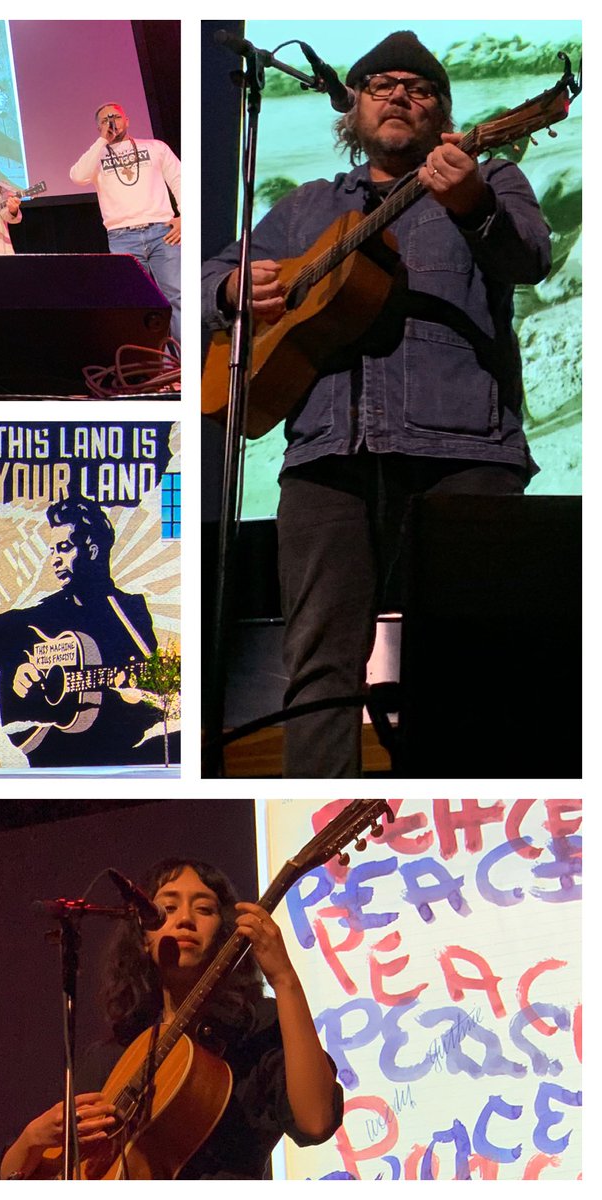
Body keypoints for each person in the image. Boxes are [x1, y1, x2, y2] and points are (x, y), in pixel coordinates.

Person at [199, 30, 552, 777]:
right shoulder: (306, 208)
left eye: (420, 88)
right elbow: (212, 279)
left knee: (473, 660)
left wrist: (474, 203)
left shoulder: (491, 176)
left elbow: (530, 255)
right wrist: (233, 290)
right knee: (319, 668)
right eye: (382, 84)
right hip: (329, 455)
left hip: (465, 452)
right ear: (351, 108)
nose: (400, 95)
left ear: (446, 116)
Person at [0, 859, 342, 1179]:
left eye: (205, 908)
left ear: (224, 934)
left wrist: (284, 979)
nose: (185, 920)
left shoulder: (257, 1028)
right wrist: (31, 1139)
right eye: (166, 907)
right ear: (142, 938)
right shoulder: (112, 1056)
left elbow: (316, 1121)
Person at [0, 497, 175, 768]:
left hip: (117, 751)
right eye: (52, 551)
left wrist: (136, 697)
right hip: (56, 748)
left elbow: (155, 700)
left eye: (64, 548)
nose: (55, 560)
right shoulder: (47, 612)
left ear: (92, 550)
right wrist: (17, 666)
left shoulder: (131, 611)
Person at [69, 102, 182, 350]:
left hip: (162, 231)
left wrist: (184, 218)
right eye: (105, 119)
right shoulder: (96, 157)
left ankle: (187, 365)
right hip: (122, 237)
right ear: (98, 127)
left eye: (116, 116)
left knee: (177, 296)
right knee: (138, 305)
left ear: (127, 120)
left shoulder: (154, 147)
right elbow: (77, 176)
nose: (112, 121)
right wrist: (101, 142)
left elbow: (179, 180)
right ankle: (156, 369)